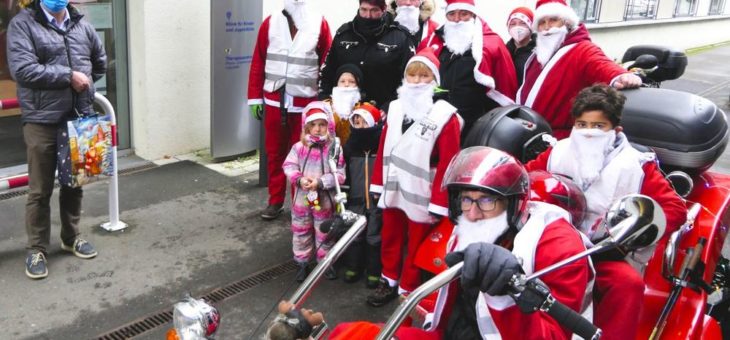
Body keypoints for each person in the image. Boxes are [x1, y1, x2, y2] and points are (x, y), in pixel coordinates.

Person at [330, 146, 591, 339]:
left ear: (513, 202)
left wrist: (507, 295)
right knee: (349, 334)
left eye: (487, 201)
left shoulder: (557, 246)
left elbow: (557, 335)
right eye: (466, 199)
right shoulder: (471, 227)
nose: (473, 212)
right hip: (456, 332)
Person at [524, 84, 687, 339]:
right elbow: (523, 179)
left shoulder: (636, 165)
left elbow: (674, 209)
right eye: (582, 124)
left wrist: (627, 236)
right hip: (551, 244)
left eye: (598, 126)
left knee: (627, 285)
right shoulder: (556, 152)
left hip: (603, 251)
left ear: (615, 130)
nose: (588, 132)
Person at [7, 0, 106, 279]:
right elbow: (22, 70)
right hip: (41, 120)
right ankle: (37, 248)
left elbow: (99, 62)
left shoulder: (81, 24)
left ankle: (71, 236)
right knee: (40, 189)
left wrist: (82, 86)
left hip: (79, 116)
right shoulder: (23, 24)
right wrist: (68, 77)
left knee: (75, 183)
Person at [367, 49, 462, 307]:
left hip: (423, 190)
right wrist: (377, 183)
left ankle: (408, 288)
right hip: (393, 185)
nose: (418, 80)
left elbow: (449, 162)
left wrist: (440, 201)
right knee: (391, 235)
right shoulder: (396, 108)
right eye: (412, 74)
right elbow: (384, 147)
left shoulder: (446, 115)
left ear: (434, 79)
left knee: (416, 243)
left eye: (424, 75)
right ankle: (388, 279)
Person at [248, 0, 332, 220]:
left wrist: (323, 100)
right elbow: (258, 60)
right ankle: (275, 200)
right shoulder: (270, 23)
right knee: (274, 153)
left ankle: (300, 203)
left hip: (305, 104)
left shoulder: (319, 23)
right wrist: (254, 97)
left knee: (305, 157)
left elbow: (327, 61)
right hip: (275, 100)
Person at [517, 0, 642, 139]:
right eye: (542, 22)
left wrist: (620, 75)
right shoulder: (540, 54)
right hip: (533, 133)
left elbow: (600, 63)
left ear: (567, 23)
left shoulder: (582, 49)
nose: (546, 28)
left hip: (561, 139)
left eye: (553, 20)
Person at [419, 0, 517, 138]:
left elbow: (505, 85)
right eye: (452, 14)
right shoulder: (434, 43)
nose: (457, 19)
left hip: (476, 124)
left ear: (473, 15)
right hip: (438, 120)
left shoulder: (493, 44)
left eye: (463, 14)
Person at [282, 102, 345, 282]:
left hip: (325, 201)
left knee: (325, 231)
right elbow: (289, 165)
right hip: (302, 199)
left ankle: (325, 262)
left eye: (322, 124)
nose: (317, 129)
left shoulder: (334, 149)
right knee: (301, 230)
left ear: (329, 126)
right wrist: (300, 179)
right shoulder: (299, 147)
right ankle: (301, 262)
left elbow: (340, 175)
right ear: (307, 126)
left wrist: (320, 182)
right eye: (313, 125)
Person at [318, 0, 414, 109]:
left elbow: (409, 80)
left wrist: (389, 108)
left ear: (384, 9)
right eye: (364, 10)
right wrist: (325, 100)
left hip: (382, 112)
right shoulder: (344, 34)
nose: (368, 16)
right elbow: (327, 72)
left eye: (374, 10)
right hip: (345, 111)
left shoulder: (400, 37)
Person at [341, 102, 384, 288]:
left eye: (365, 123)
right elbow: (345, 173)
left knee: (374, 236)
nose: (360, 127)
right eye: (356, 123)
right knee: (354, 234)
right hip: (355, 199)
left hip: (376, 200)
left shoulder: (381, 147)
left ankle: (374, 270)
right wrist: (345, 192)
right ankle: (353, 266)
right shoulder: (350, 147)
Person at [323, 64, 365, 145]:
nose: (346, 85)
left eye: (352, 82)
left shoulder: (363, 109)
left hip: (353, 152)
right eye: (342, 81)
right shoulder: (325, 106)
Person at [505, 7, 535, 86]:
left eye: (523, 23)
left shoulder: (538, 53)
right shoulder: (504, 51)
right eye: (513, 24)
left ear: (531, 26)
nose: (517, 27)